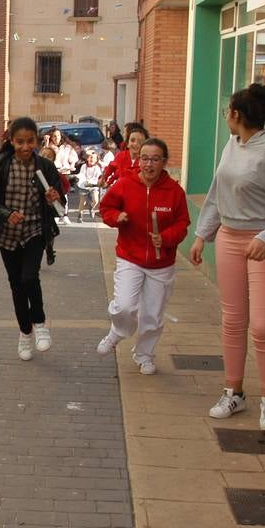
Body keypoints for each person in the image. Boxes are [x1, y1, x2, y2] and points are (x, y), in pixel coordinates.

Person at [189, 83, 265, 431]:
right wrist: (202, 234)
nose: (225, 118)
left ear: (236, 114)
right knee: (233, 320)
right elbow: (218, 194)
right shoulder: (232, 145)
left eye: (227, 112)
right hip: (229, 239)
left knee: (263, 326)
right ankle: (233, 391)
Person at [96, 138, 191, 375]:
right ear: (139, 161)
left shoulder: (174, 191)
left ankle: (144, 354)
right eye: (144, 159)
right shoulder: (125, 184)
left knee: (152, 314)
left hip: (161, 263)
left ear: (164, 162)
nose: (149, 164)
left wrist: (167, 237)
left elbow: (183, 223)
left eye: (155, 159)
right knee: (125, 306)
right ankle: (118, 331)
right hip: (130, 256)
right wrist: (116, 217)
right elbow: (105, 208)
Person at [0, 116, 65, 361]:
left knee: (30, 277)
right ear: (11, 141)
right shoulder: (1, 165)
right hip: (7, 235)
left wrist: (54, 198)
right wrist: (5, 215)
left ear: (37, 140)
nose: (25, 147)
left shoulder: (45, 168)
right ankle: (25, 334)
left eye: (30, 141)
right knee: (17, 284)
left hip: (35, 231)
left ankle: (39, 324)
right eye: (20, 142)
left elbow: (61, 207)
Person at [101, 122, 144, 189]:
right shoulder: (122, 155)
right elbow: (115, 168)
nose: (123, 134)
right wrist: (106, 180)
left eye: (125, 132)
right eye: (132, 141)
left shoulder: (145, 160)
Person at [71, 147, 105, 223]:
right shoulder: (84, 166)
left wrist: (93, 183)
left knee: (96, 200)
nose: (91, 159)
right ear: (87, 158)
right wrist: (79, 178)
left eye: (93, 158)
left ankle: (91, 207)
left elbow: (97, 177)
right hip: (84, 185)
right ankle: (80, 215)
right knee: (83, 201)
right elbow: (81, 175)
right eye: (90, 157)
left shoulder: (97, 168)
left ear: (96, 160)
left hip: (93, 186)